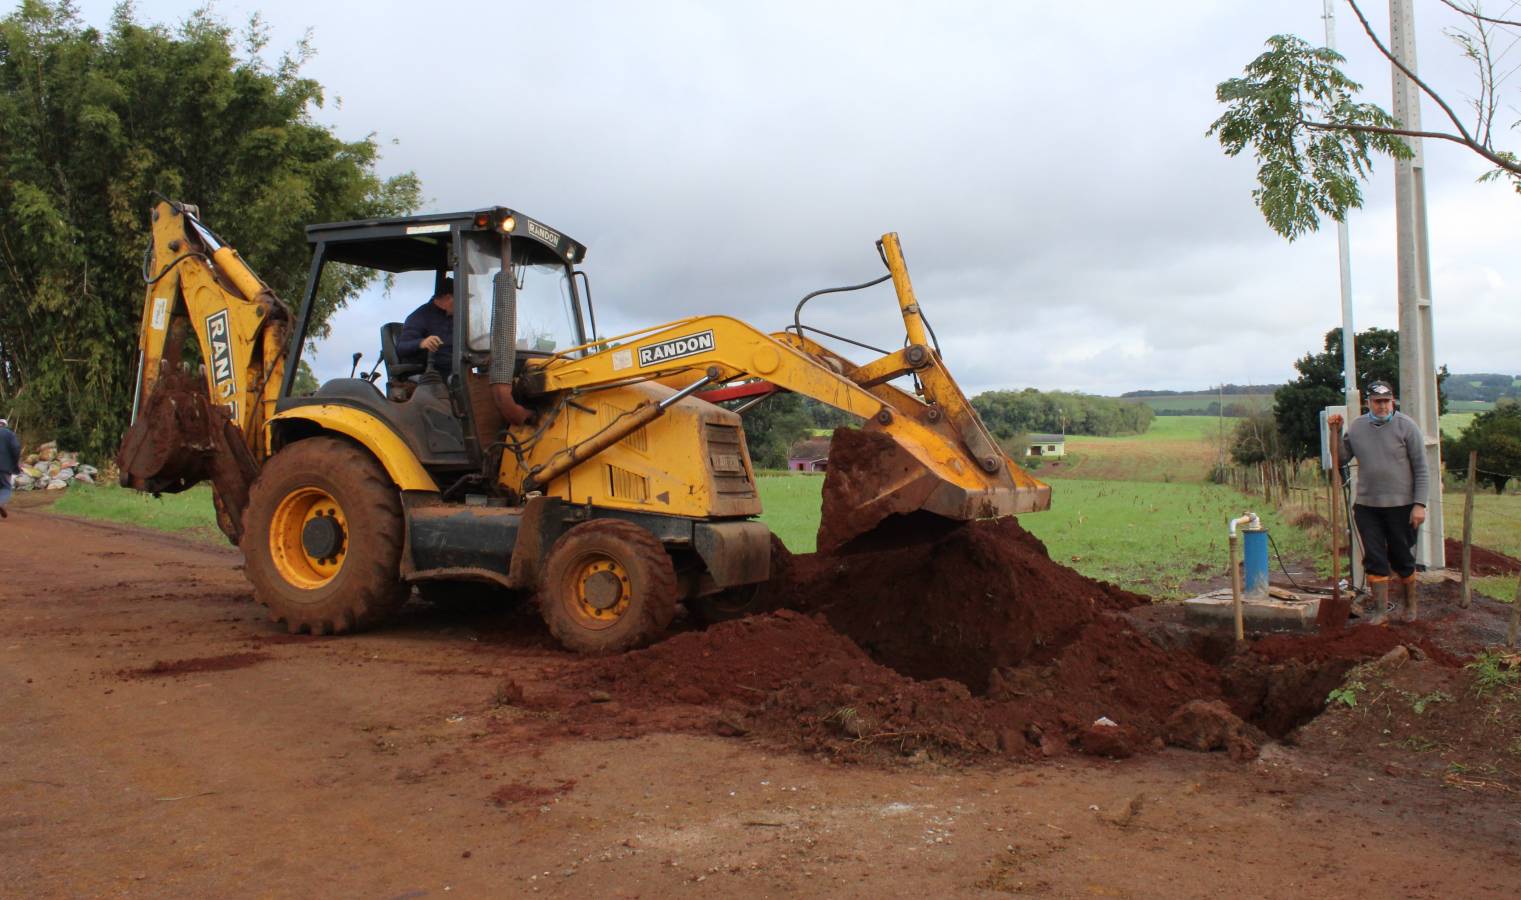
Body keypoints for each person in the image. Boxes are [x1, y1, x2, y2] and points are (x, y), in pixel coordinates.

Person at [1328, 381, 1428, 624]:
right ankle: (1381, 612)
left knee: (1402, 557)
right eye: (1377, 402)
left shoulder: (1407, 427)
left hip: (1401, 506)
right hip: (1367, 506)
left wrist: (1420, 504)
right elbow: (1341, 458)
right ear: (1368, 403)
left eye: (1386, 401)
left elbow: (1422, 469)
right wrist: (1336, 433)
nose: (1382, 406)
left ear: (1392, 401)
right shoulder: (1358, 427)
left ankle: (1410, 606)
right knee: (1374, 557)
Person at [397, 277, 455, 376]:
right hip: (430, 375)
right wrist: (422, 342)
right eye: (461, 300)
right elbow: (401, 347)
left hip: (456, 371)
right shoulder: (419, 316)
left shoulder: (456, 318)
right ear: (448, 298)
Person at [0, 418, 20, 519]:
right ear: (5, 425)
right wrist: (15, 464)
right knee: (6, 487)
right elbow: (16, 448)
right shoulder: (9, 434)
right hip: (4, 466)